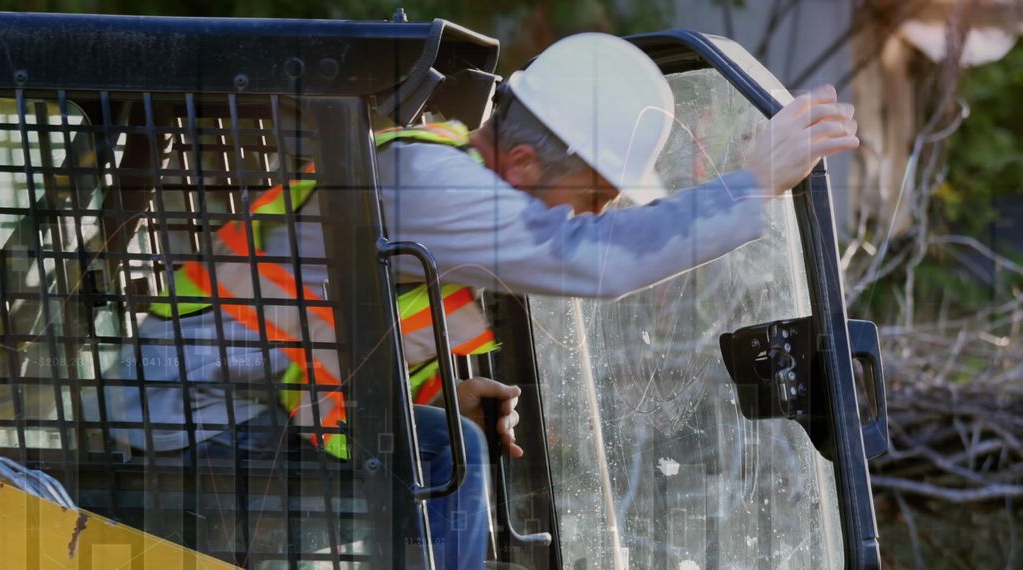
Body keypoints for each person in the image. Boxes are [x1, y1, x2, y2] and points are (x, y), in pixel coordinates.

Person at [95, 32, 858, 570]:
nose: (586, 217)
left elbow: (322, 328)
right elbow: (588, 260)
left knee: (437, 432)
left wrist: (441, 389)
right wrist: (751, 186)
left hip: (209, 404)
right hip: (187, 415)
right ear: (522, 161)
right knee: (444, 452)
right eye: (589, 197)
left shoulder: (444, 191)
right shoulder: (439, 186)